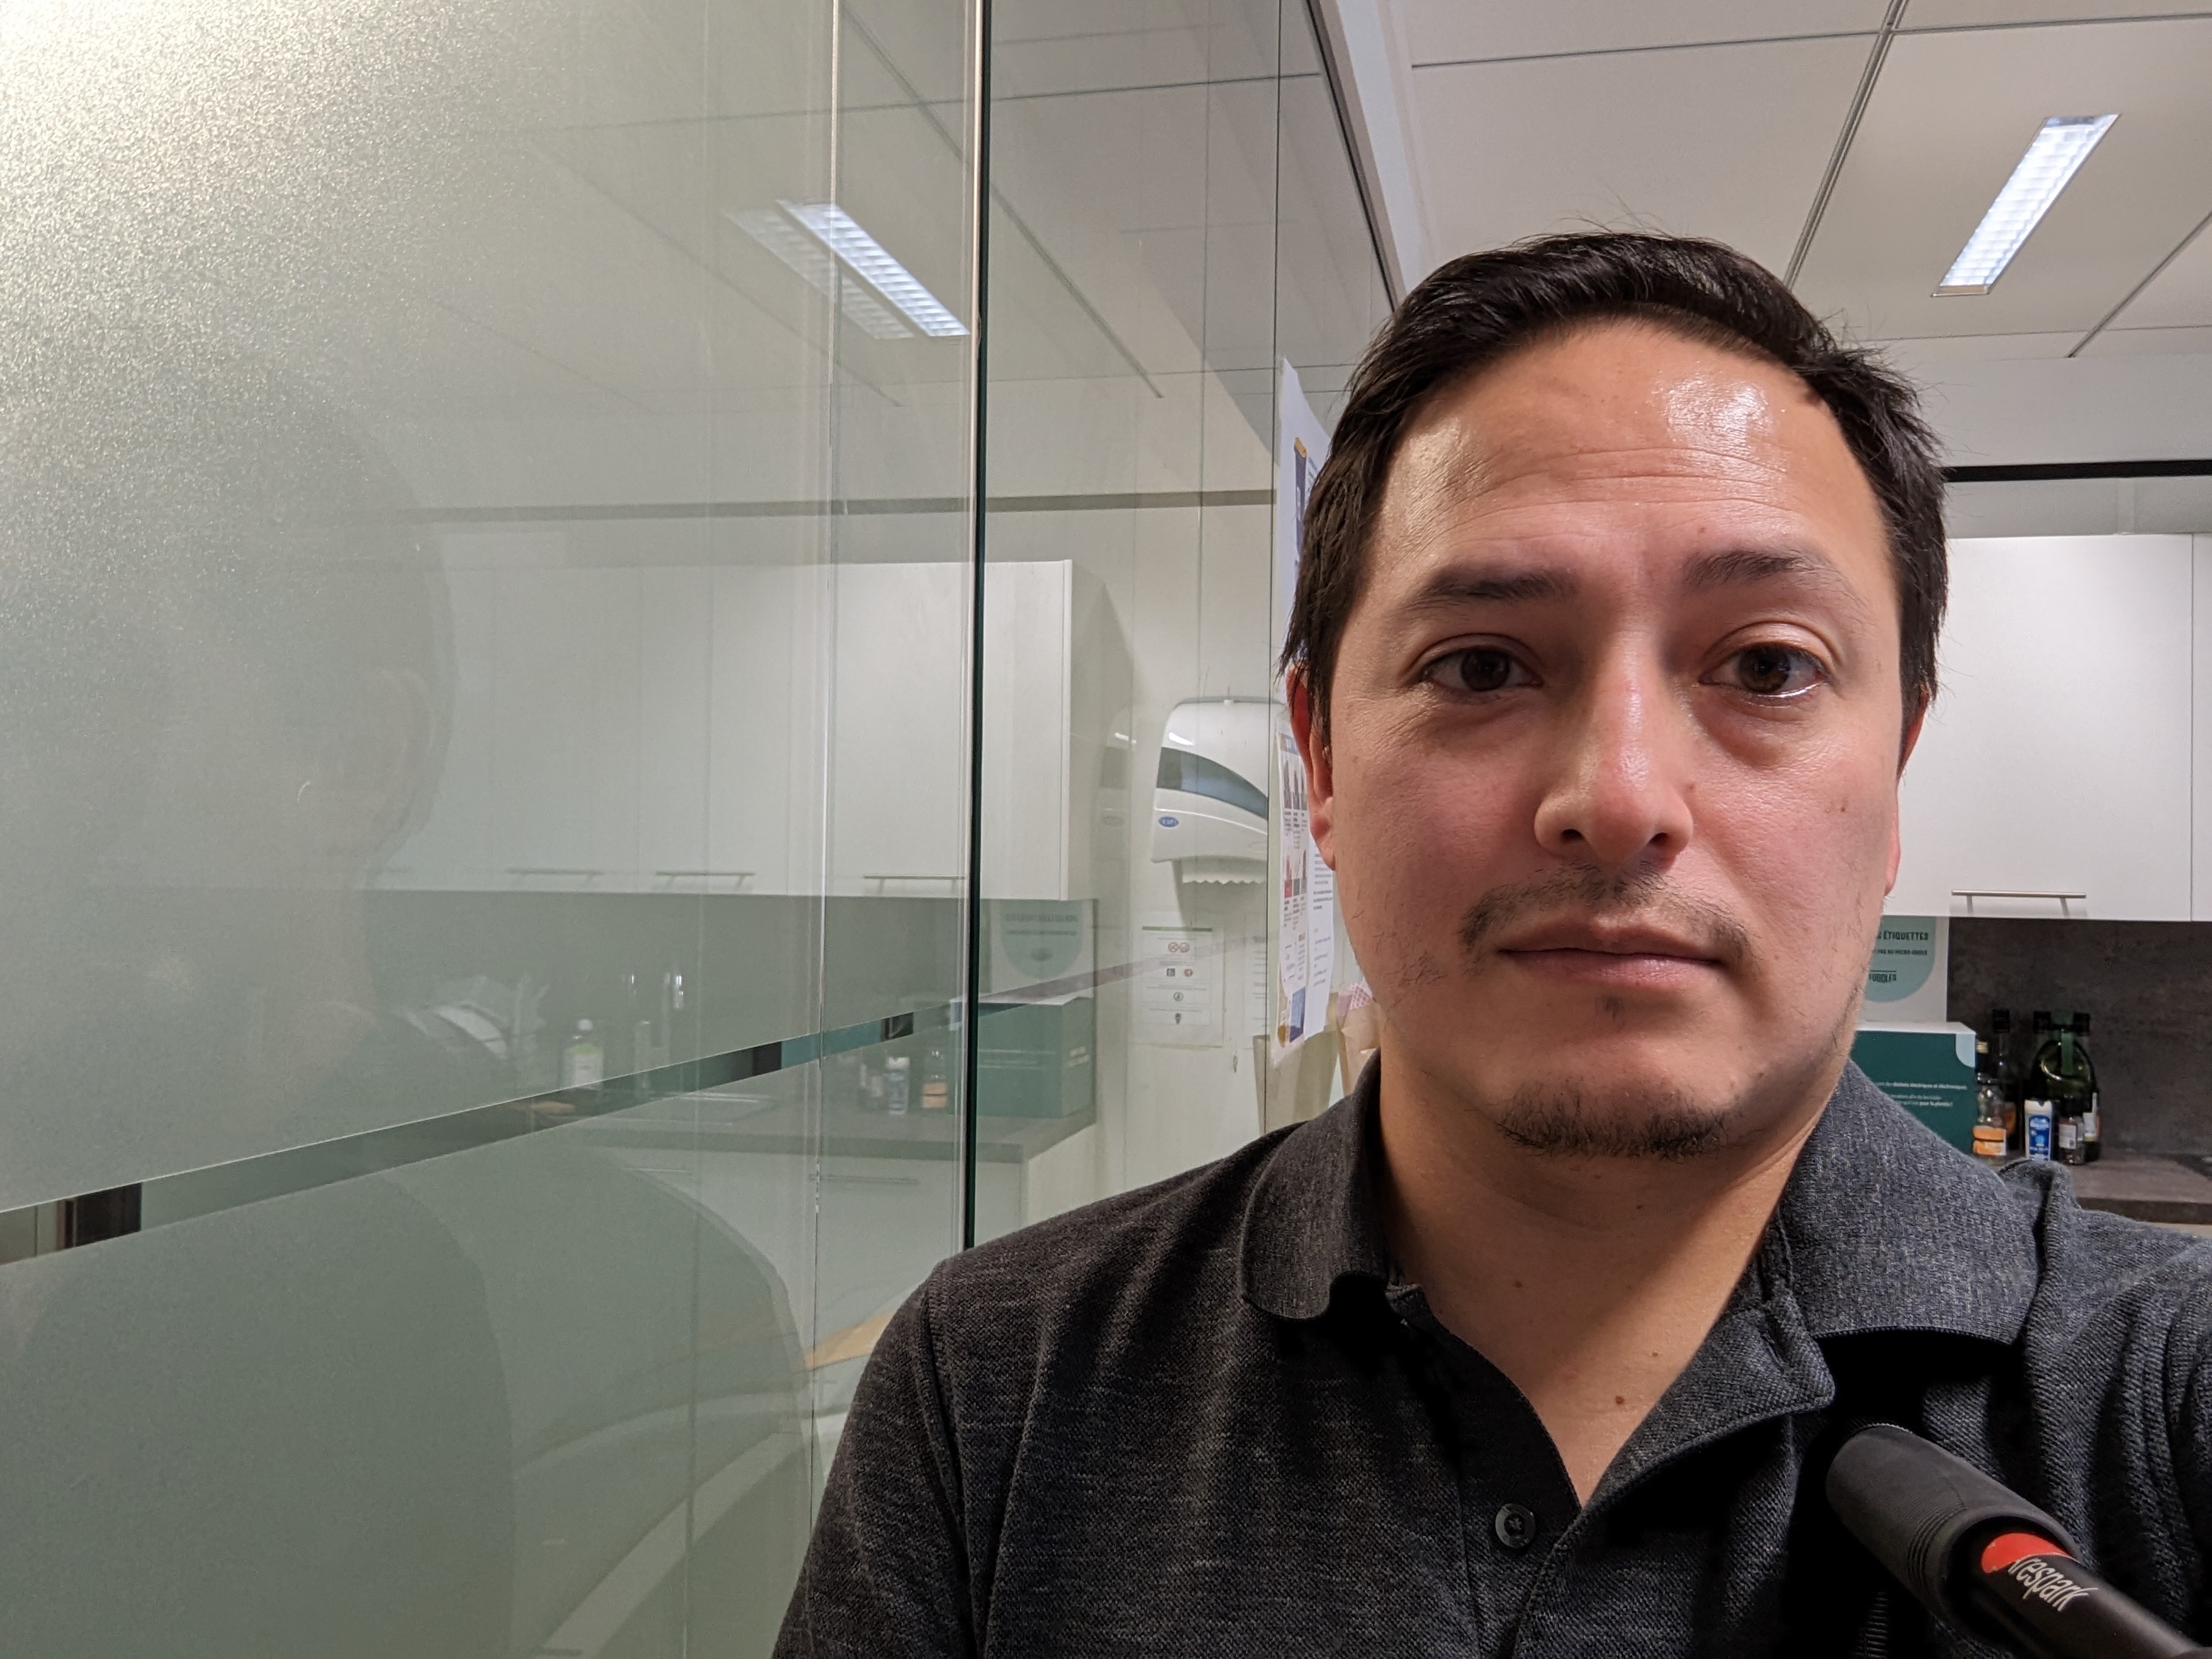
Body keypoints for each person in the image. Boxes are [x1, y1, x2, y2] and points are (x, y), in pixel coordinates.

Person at [774, 233, 2212, 1655]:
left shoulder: (2168, 1403)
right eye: (1480, 667)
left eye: (1768, 666)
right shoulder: (999, 1388)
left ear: (1895, 767)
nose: (1620, 798)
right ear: (1322, 761)